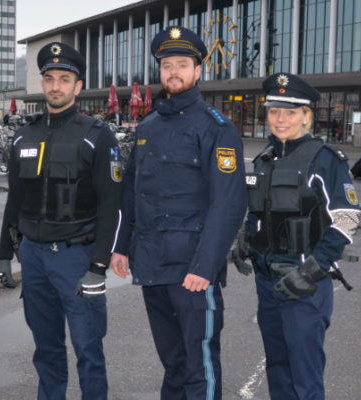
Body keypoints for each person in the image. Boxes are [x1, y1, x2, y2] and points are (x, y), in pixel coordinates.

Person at [110, 26, 246, 400]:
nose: (173, 71)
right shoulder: (147, 126)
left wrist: (204, 266)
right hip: (152, 264)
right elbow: (132, 191)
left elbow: (229, 203)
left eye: (182, 64)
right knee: (173, 363)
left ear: (198, 71)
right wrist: (122, 246)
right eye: (167, 65)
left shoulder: (216, 128)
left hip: (191, 270)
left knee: (199, 364)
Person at [0, 41, 122, 399]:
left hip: (77, 257)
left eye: (64, 79)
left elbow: (113, 205)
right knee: (46, 351)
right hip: (34, 258)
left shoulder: (98, 136)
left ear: (77, 86)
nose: (55, 86)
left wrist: (99, 265)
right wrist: (4, 253)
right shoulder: (23, 135)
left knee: (88, 352)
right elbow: (15, 199)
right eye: (49, 78)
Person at [232, 73, 361, 400]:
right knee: (278, 368)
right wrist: (245, 240)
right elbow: (260, 212)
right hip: (268, 284)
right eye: (274, 111)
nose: (281, 119)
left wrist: (312, 269)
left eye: (290, 112)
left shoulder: (325, 159)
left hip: (305, 286)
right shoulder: (263, 160)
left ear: (307, 116)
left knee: (305, 374)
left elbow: (346, 219)